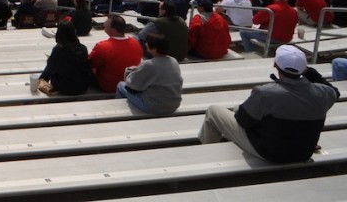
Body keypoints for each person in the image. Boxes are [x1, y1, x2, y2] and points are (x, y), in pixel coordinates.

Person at [198, 45, 339, 163]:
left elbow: (243, 121)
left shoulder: (265, 93)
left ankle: (208, 157)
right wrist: (311, 73)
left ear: (275, 64)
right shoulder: (324, 93)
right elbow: (334, 92)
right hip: (303, 152)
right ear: (304, 69)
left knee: (213, 111)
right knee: (238, 108)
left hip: (270, 153)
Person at [115, 34, 183, 116]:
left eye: (148, 43)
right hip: (174, 105)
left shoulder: (149, 65)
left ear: (154, 49)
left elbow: (132, 84)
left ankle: (118, 112)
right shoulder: (173, 61)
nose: (146, 44)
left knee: (120, 85)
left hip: (154, 107)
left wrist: (129, 72)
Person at [88, 14, 144, 93]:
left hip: (109, 86)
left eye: (106, 24)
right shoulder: (136, 43)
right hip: (129, 82)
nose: (104, 25)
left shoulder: (103, 46)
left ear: (114, 29)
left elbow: (90, 63)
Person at [38, 21, 93, 96]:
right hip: (83, 86)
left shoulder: (58, 50)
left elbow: (50, 68)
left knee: (51, 63)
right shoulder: (83, 48)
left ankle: (41, 80)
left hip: (66, 87)